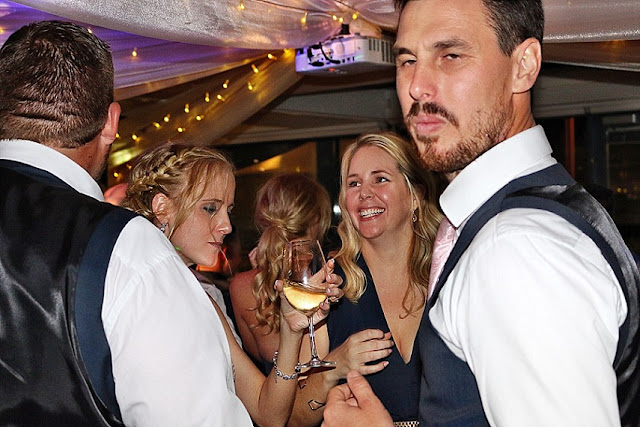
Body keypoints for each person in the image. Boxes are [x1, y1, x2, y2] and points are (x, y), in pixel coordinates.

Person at [0, 21, 339, 427]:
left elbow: (268, 412)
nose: (227, 226)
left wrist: (291, 329)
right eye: (210, 208)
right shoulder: (134, 259)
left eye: (229, 210)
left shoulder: (194, 292)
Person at [322, 0, 640, 426]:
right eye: (408, 60)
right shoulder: (531, 209)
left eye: (451, 55)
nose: (417, 87)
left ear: (523, 66)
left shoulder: (514, 246)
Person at [289, 132, 441, 426]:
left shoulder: (449, 273)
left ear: (415, 196)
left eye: (380, 179)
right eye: (354, 183)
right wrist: (335, 365)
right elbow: (295, 417)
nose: (365, 193)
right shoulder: (329, 284)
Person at [230, 173, 333, 372]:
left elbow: (258, 356)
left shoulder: (242, 286)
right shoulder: (333, 273)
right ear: (317, 220)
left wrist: (262, 278)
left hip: (279, 389)